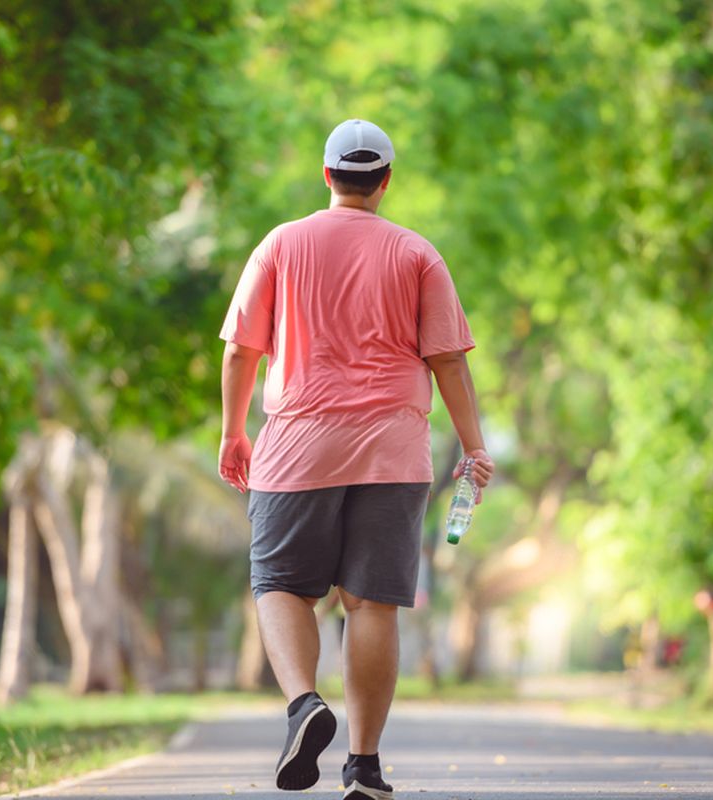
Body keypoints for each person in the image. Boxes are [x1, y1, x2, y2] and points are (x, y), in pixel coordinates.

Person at [218, 118, 494, 799]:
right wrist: (474, 444)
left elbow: (239, 351)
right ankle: (364, 766)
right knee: (372, 604)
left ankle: (304, 705)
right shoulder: (416, 254)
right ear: (386, 182)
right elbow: (449, 362)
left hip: (297, 445)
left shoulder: (281, 244)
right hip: (393, 450)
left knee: (280, 582)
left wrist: (233, 432)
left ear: (327, 174)